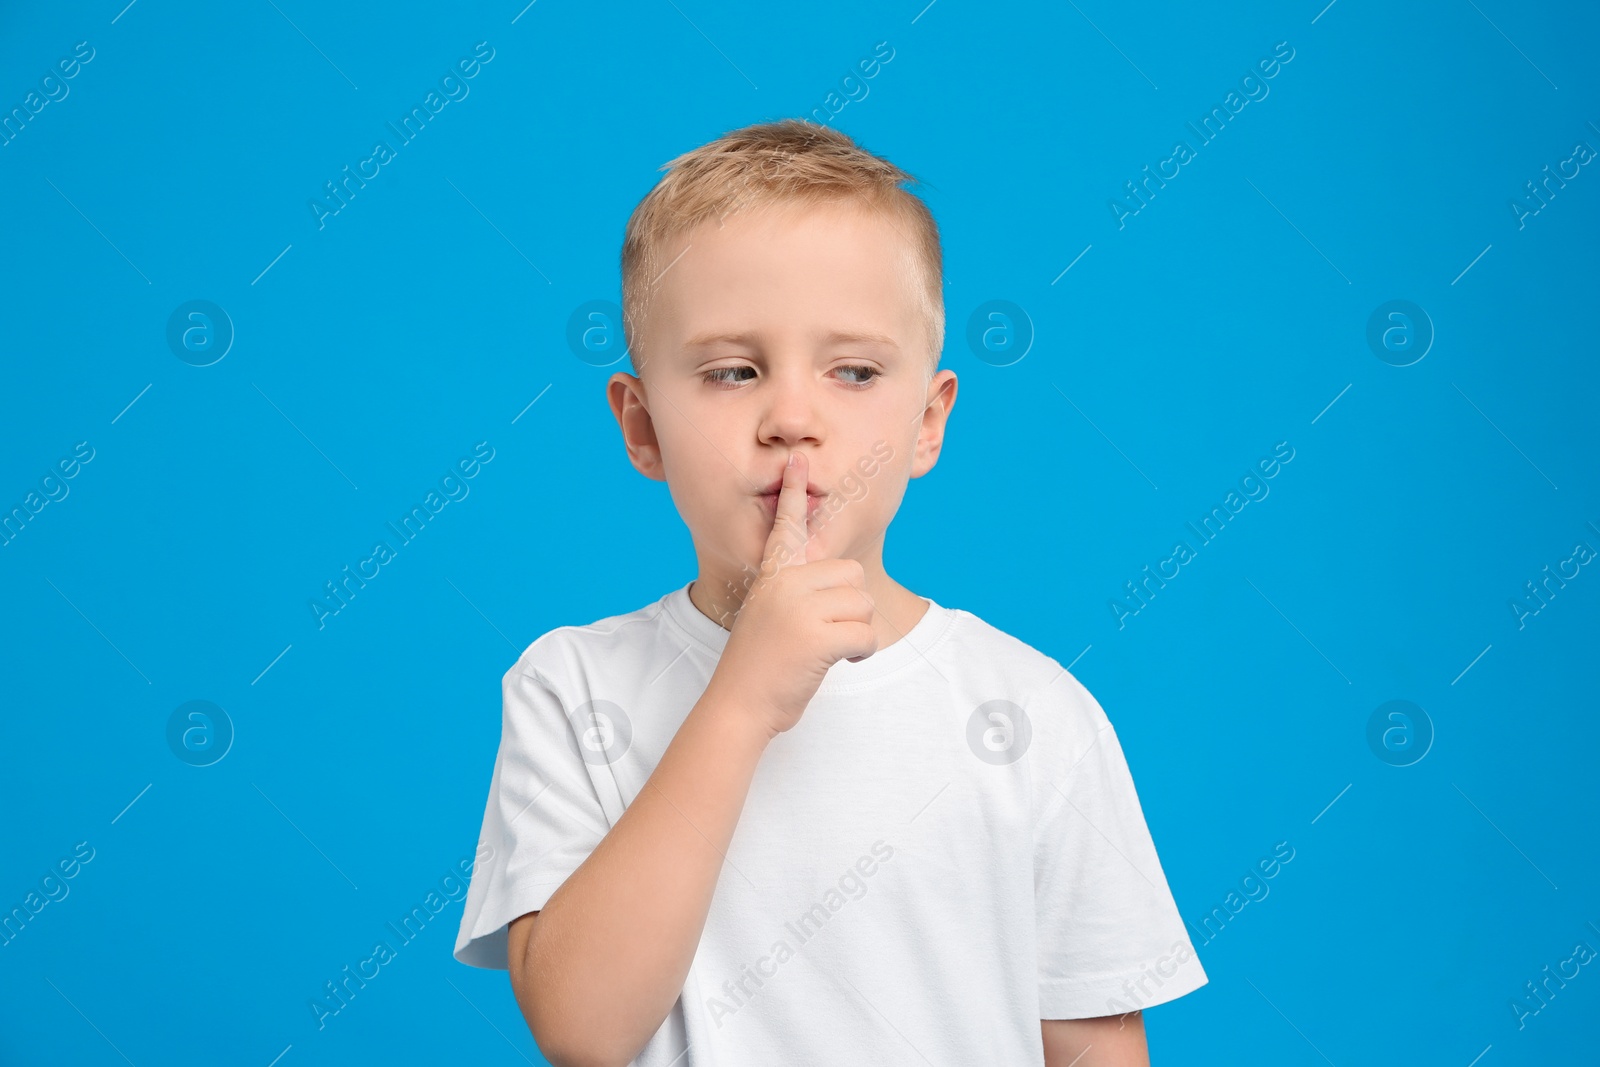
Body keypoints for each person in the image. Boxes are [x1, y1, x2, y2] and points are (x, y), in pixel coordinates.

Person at [454, 118, 1206, 1066]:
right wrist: (741, 698)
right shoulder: (572, 687)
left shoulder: (1032, 713)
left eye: (852, 371)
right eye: (734, 371)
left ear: (929, 423)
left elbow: (1095, 1043)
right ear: (642, 428)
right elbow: (584, 1029)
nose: (793, 419)